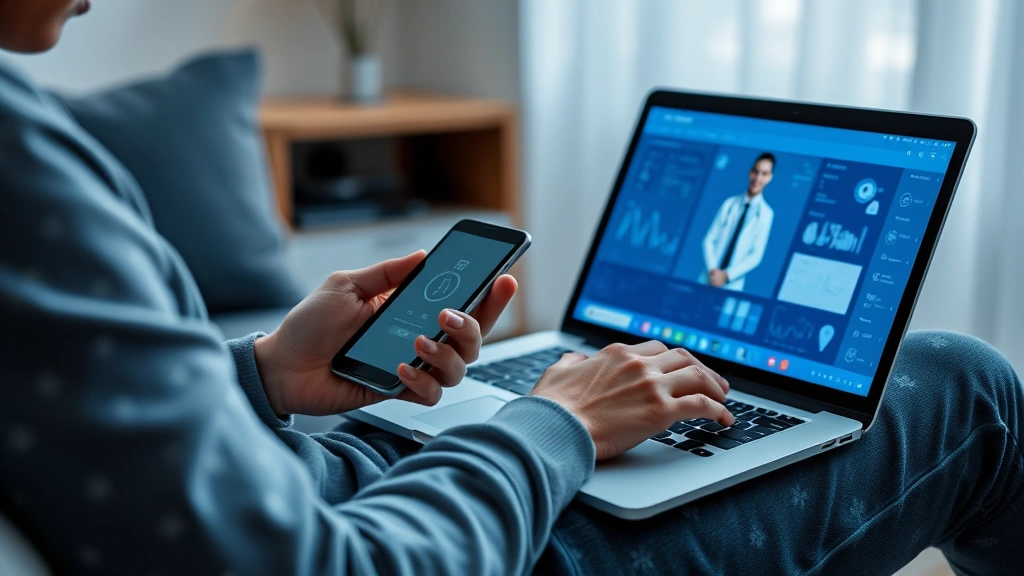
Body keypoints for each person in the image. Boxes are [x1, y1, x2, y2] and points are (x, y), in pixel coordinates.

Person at [1, 2, 1022, 574]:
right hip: (414, 541)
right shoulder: (18, 154)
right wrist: (557, 424)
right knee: (962, 381)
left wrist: (260, 373)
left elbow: (68, 401)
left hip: (311, 477)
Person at [701, 152, 776, 291]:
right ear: (750, 172)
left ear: (769, 178)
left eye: (764, 174)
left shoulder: (766, 215)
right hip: (709, 278)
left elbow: (756, 256)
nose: (758, 178)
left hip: (732, 284)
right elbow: (708, 240)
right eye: (756, 172)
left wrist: (726, 275)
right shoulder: (729, 204)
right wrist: (713, 270)